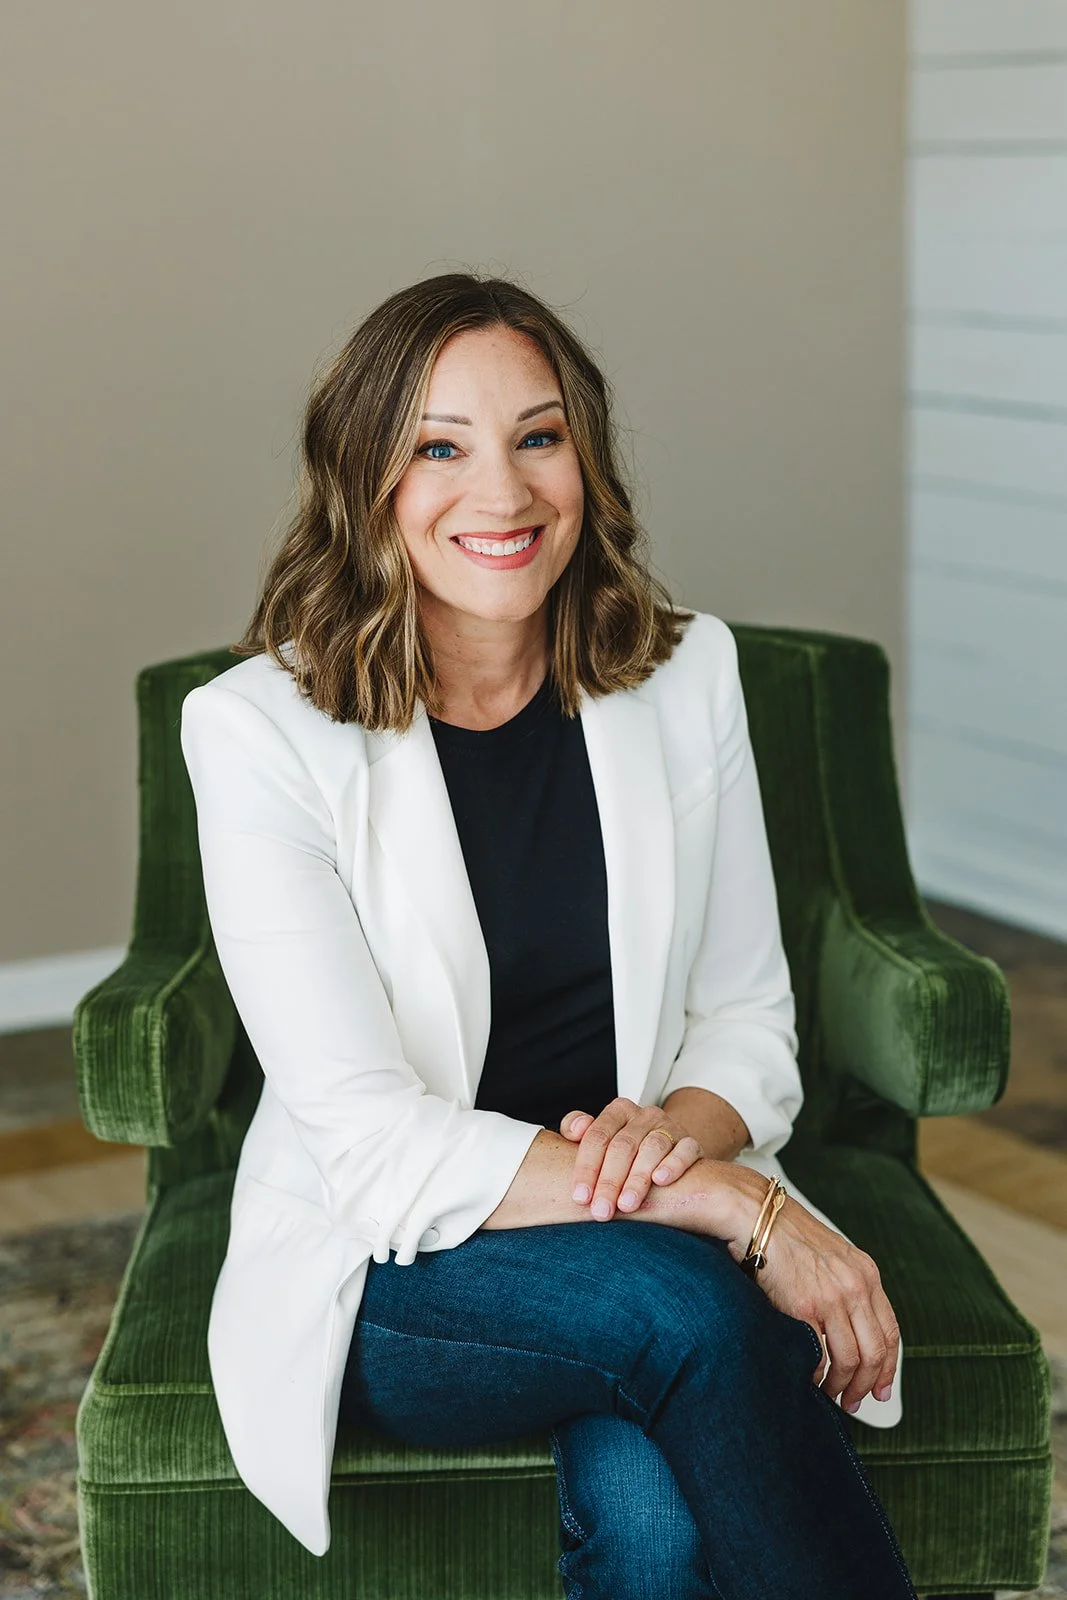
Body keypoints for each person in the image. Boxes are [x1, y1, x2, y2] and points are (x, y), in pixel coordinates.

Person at [179, 270, 917, 1599]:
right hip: (405, 1254)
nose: (504, 494)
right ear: (364, 479)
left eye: (538, 435)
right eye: (437, 448)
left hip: (637, 1219)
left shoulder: (687, 675)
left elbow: (746, 1019)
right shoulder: (258, 731)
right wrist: (730, 1206)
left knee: (659, 1531)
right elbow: (371, 1144)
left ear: (587, 453)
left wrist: (674, 1147)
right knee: (682, 1305)